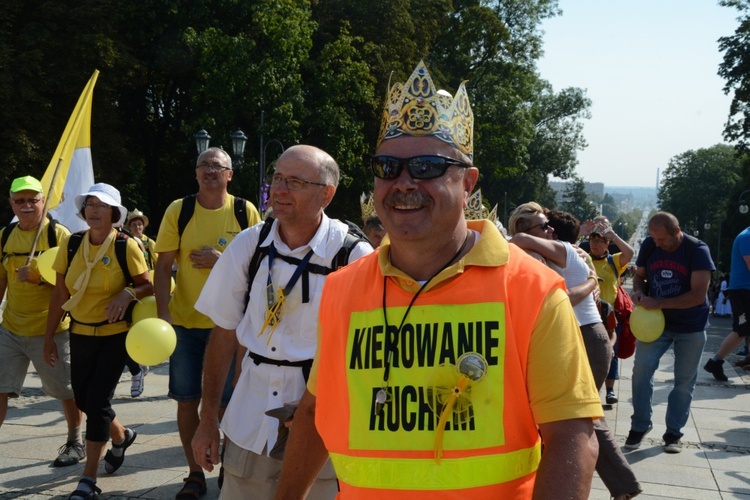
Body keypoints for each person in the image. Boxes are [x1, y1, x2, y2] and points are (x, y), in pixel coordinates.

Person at [275, 61, 602, 499]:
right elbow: (316, 410)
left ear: (467, 182)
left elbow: (572, 437)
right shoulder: (342, 289)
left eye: (427, 167)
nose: (404, 183)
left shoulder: (532, 291)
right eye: (388, 167)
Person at [191, 145, 372, 499]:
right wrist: (207, 418)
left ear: (326, 194)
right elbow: (224, 333)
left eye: (295, 182)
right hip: (250, 418)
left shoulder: (352, 256)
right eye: (277, 178)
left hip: (321, 426)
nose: (280, 190)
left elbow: (363, 357)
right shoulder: (250, 244)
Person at [153, 147, 260, 499]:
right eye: (204, 165)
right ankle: (195, 473)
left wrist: (223, 259)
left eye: (218, 166)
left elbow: (260, 265)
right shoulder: (179, 210)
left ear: (230, 174)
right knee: (188, 400)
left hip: (229, 326)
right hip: (184, 323)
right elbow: (163, 265)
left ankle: (227, 467)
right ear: (196, 174)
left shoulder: (245, 211)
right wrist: (163, 316)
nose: (210, 170)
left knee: (229, 402)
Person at [511, 208, 641, 499]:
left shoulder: (562, 252)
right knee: (586, 413)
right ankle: (623, 486)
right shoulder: (567, 254)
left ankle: (621, 485)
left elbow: (562, 299)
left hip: (582, 336)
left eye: (548, 226)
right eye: (544, 227)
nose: (549, 232)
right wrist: (593, 280)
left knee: (579, 415)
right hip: (589, 336)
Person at [44, 183, 153, 499]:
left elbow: (148, 285)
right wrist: (49, 336)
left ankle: (88, 479)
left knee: (98, 401)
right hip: (79, 332)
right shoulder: (72, 243)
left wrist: (127, 292)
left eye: (101, 205)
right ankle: (121, 436)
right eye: (90, 204)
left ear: (114, 213)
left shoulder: (126, 245)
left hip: (114, 336)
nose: (93, 210)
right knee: (83, 400)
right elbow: (59, 292)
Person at [0, 175, 83, 467]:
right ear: (11, 203)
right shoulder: (4, 236)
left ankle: (76, 441)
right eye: (20, 201)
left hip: (52, 329)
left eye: (32, 200)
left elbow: (73, 286)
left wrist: (38, 279)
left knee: (67, 390)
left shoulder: (59, 236)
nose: (26, 205)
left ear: (43, 202)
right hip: (10, 328)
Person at [627, 211, 714, 453]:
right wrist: (640, 293)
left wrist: (660, 303)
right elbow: (640, 278)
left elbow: (698, 296)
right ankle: (640, 425)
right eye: (653, 238)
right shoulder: (649, 244)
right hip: (656, 323)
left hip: (690, 326)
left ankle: (673, 433)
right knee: (641, 370)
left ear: (677, 232)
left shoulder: (697, 250)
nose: (657, 243)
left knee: (684, 381)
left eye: (662, 239)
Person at [581, 217, 634, 405]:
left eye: (599, 241)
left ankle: (610, 390)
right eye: (592, 241)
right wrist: (579, 233)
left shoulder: (614, 261)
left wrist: (614, 236)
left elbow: (630, 252)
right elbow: (561, 250)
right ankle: (589, 388)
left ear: (607, 244)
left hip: (609, 314)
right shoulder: (582, 257)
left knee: (611, 351)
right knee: (586, 352)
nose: (594, 244)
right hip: (587, 313)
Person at [705, 228, 750, 381]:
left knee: (744, 328)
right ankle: (715, 362)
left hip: (744, 289)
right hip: (744, 290)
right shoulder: (747, 236)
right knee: (741, 329)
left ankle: (717, 362)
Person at [121, 209, 156, 398]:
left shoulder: (149, 243)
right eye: (134, 224)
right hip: (128, 292)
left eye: (140, 224)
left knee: (144, 330)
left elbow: (159, 265)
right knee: (124, 336)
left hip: (146, 293)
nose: (138, 226)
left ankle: (142, 359)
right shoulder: (123, 242)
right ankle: (136, 371)